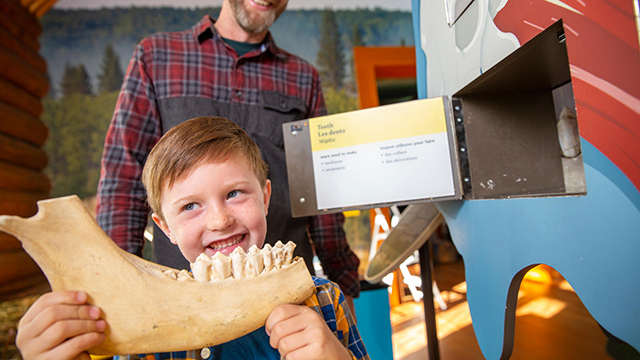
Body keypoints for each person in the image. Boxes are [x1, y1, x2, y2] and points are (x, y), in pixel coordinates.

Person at [16, 117, 368, 360]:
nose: (219, 219)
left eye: (234, 194)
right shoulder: (141, 331)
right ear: (164, 227)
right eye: (190, 206)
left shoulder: (324, 299)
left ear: (265, 196)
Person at [95, 0, 360, 311]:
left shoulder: (304, 78)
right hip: (184, 300)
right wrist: (116, 290)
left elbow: (318, 189)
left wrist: (341, 283)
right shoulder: (156, 58)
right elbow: (123, 176)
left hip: (285, 296)